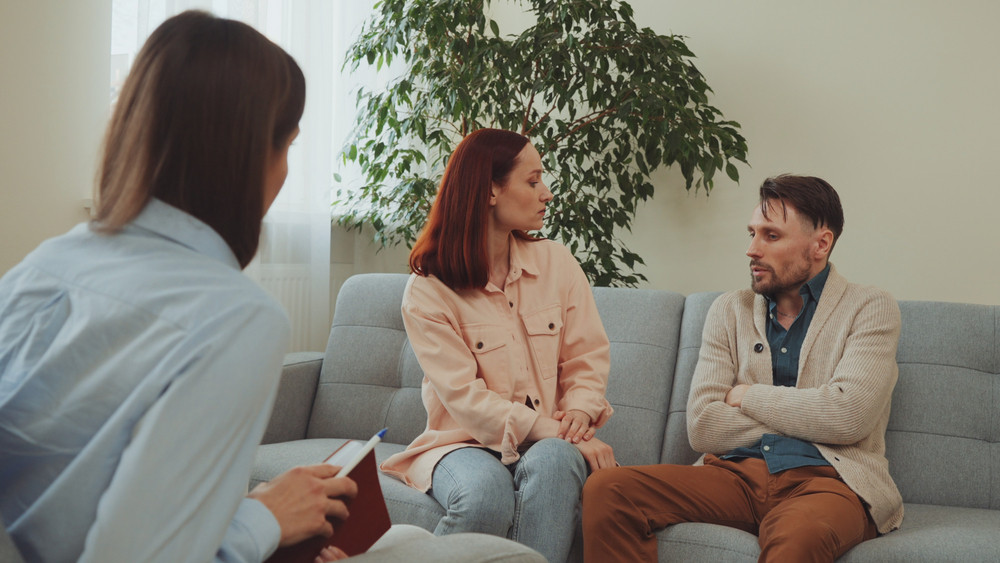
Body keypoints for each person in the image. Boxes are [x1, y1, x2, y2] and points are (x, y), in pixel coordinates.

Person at [3, 11, 357, 563]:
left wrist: (247, 516)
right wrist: (264, 520)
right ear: (247, 157)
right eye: (287, 146)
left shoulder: (46, 264)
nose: (286, 173)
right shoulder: (236, 319)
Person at [581, 175, 903, 562]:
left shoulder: (869, 307)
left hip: (827, 481)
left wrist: (747, 395)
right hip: (734, 475)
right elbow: (703, 425)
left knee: (797, 537)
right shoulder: (729, 310)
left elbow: (848, 417)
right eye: (752, 233)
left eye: (771, 236)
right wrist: (811, 415)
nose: (752, 249)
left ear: (821, 244)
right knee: (608, 488)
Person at [380, 128, 617, 561]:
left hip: (548, 440)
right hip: (461, 442)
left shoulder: (557, 263)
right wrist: (562, 432)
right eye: (533, 181)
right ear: (490, 190)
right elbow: (466, 400)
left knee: (556, 461)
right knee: (485, 494)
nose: (546, 193)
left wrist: (578, 416)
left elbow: (586, 358)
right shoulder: (428, 290)